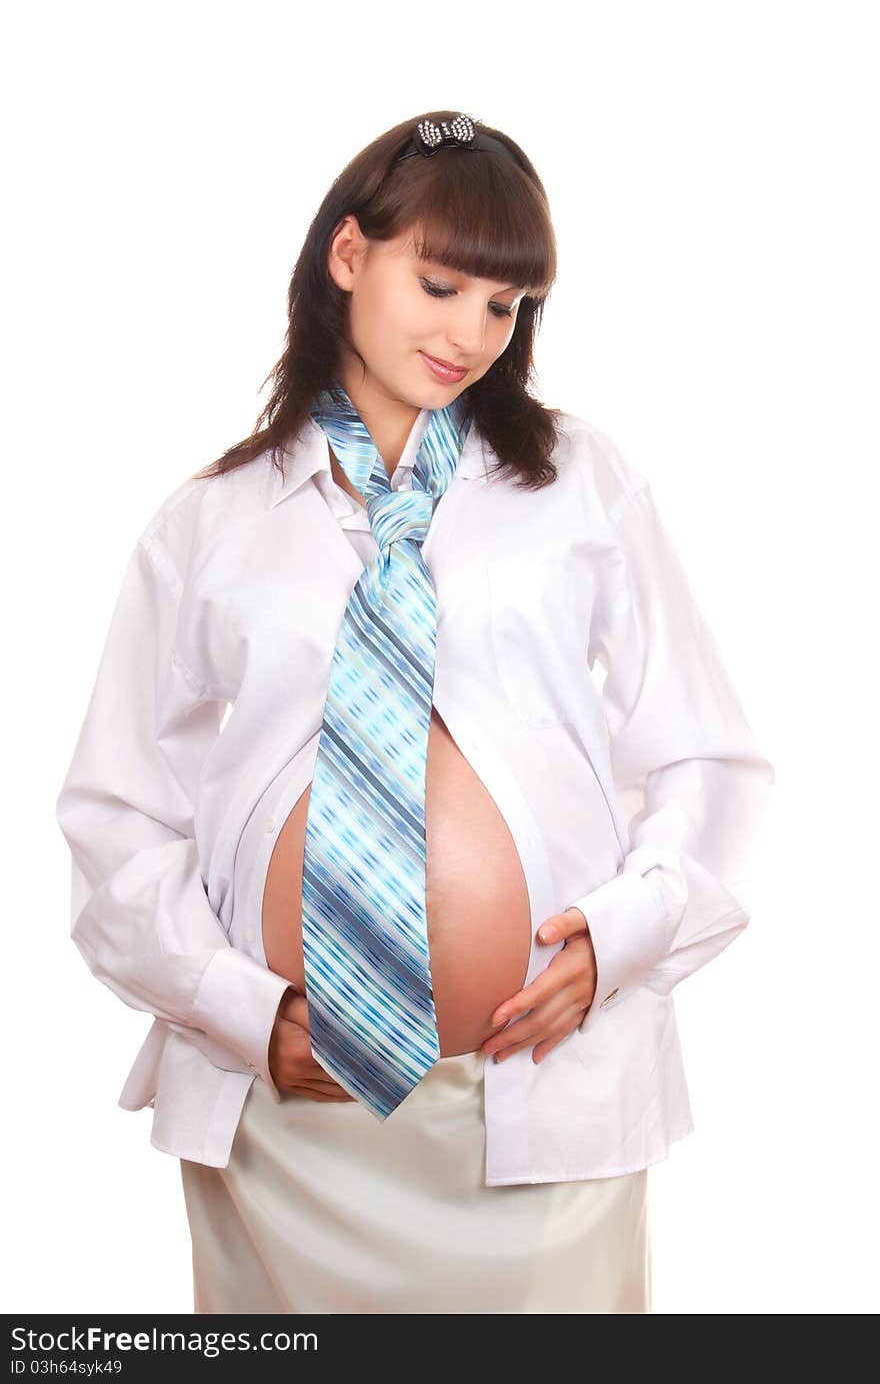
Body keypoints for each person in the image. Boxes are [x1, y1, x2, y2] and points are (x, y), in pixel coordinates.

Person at [55, 110, 774, 1315]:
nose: (469, 335)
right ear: (348, 257)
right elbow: (117, 809)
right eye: (439, 285)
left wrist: (621, 936)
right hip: (289, 1119)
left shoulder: (582, 484)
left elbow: (704, 753)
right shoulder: (211, 520)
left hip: (544, 1094)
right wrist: (241, 1007)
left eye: (503, 306)